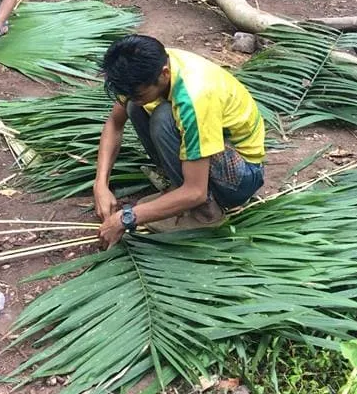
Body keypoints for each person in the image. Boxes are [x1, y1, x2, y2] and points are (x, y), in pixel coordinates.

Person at [94, 34, 266, 247]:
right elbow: (114, 123)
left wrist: (125, 218)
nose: (132, 97)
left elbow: (196, 192)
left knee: (163, 118)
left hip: (242, 176)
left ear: (164, 74)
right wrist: (100, 184)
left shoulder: (196, 97)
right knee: (134, 107)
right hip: (209, 153)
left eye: (138, 93)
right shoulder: (149, 69)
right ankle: (176, 191)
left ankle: (206, 215)